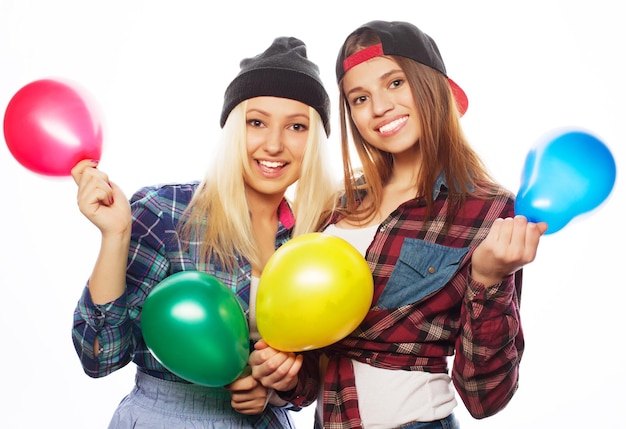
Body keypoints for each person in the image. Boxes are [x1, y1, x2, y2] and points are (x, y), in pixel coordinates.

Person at [249, 20, 548, 429]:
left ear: (428, 84)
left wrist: (489, 279)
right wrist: (284, 374)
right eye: (359, 98)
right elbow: (312, 367)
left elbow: (485, 397)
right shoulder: (337, 205)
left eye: (394, 83)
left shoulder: (488, 209)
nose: (378, 108)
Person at [70, 36, 337, 428]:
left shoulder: (313, 240)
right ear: (232, 129)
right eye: (256, 122)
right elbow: (99, 358)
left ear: (314, 140)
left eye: (296, 126)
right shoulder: (167, 212)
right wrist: (116, 236)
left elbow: (312, 373)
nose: (275, 144)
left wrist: (275, 389)